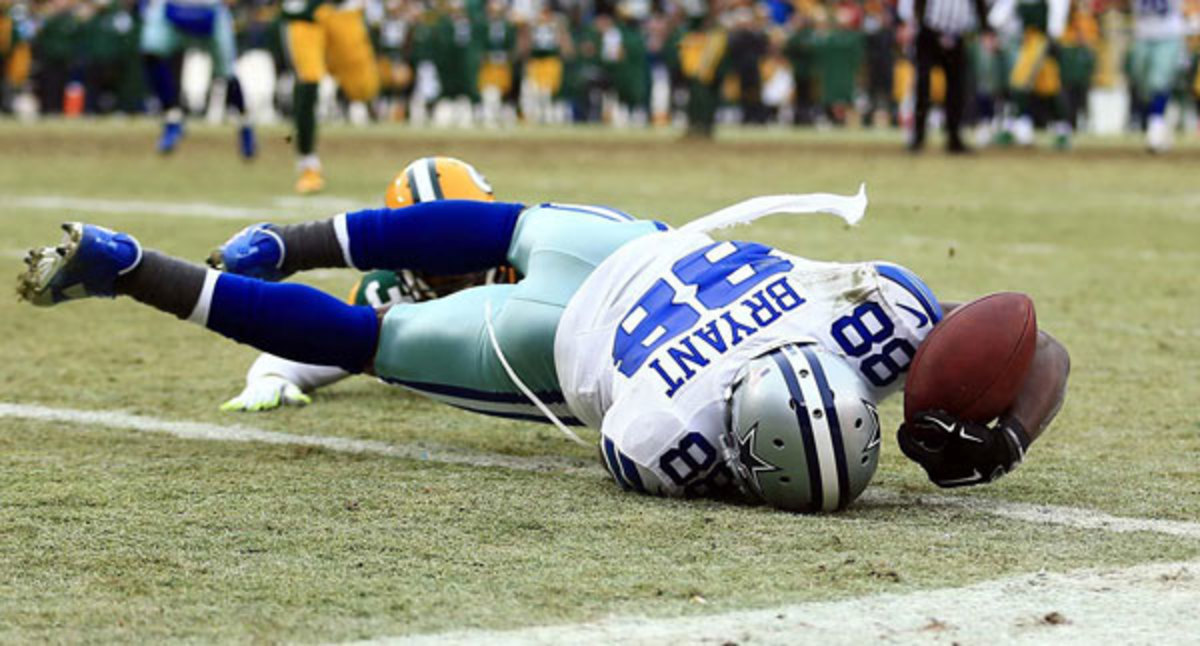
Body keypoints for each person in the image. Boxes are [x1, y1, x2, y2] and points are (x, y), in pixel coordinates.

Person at [17, 189, 1070, 512]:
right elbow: (1044, 350)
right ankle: (131, 268)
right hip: (552, 335)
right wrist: (1004, 431)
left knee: (488, 224)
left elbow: (1035, 337)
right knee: (366, 338)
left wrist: (994, 412)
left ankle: (286, 242)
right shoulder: (664, 429)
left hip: (625, 248)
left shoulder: (874, 313)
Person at [217, 155, 524, 412]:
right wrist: (271, 375)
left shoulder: (531, 266)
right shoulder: (386, 292)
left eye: (463, 251)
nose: (451, 268)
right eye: (434, 262)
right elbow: (322, 342)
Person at [281, 0, 380, 193]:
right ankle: (308, 164)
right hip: (306, 13)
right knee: (308, 81)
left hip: (343, 11)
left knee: (363, 89)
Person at [140, 0, 256, 156]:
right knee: (151, 51)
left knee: (226, 72)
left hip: (210, 11)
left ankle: (245, 124)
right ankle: (172, 117)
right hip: (171, 8)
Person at [899, 0, 991, 152]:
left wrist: (985, 29)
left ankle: (954, 137)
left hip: (957, 35)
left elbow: (978, 3)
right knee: (923, 85)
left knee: (956, 87)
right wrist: (914, 24)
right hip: (930, 32)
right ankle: (918, 136)